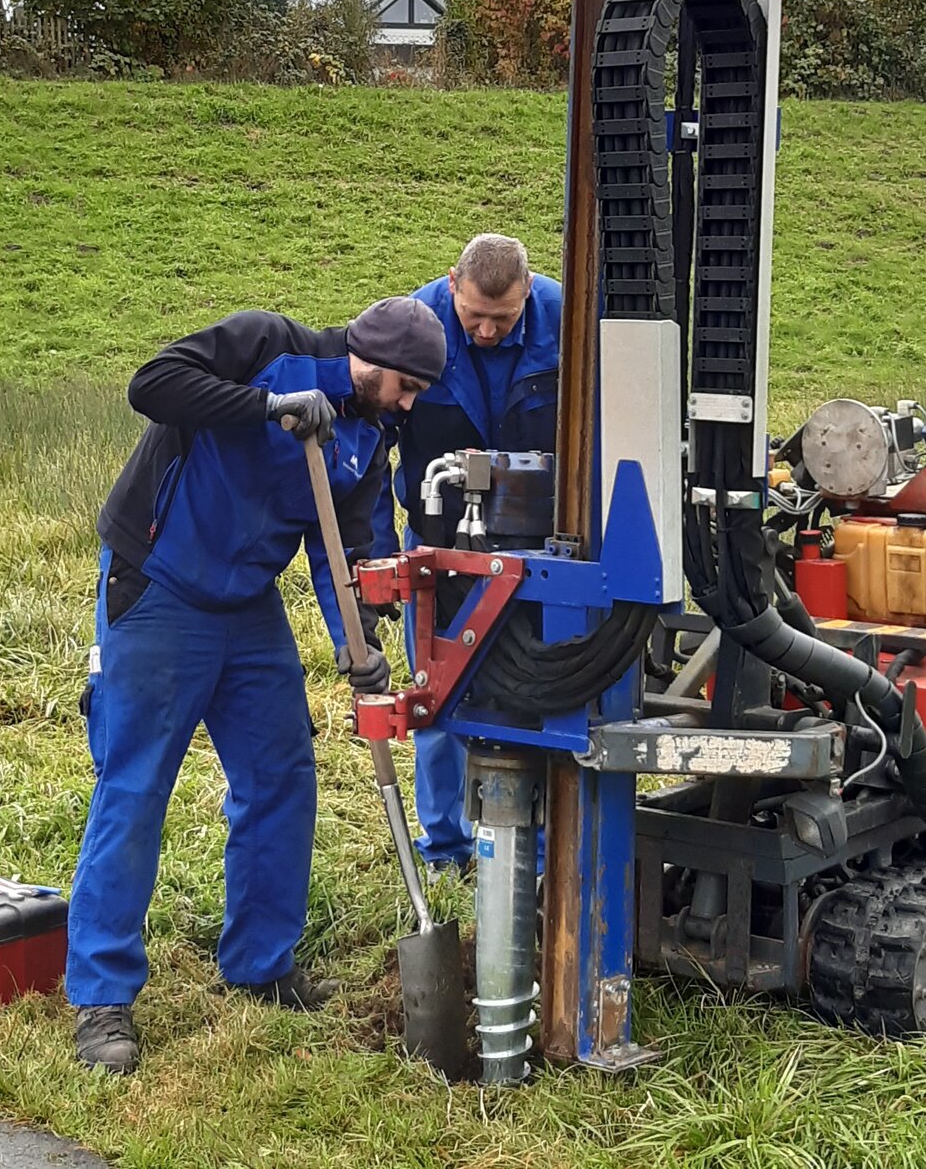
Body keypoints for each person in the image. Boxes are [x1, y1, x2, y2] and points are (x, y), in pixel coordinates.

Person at [68, 296, 447, 1075]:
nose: (409, 405)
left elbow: (346, 552)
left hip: (247, 606)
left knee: (281, 775)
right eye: (406, 387)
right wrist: (268, 404)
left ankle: (260, 961)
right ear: (371, 359)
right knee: (135, 786)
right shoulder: (266, 345)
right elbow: (153, 384)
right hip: (160, 583)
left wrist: (359, 646)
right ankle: (102, 997)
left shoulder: (366, 439)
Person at [379, 235, 561, 878]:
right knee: (439, 694)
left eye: (503, 319)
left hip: (541, 549)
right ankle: (447, 852)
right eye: (475, 316)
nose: (486, 331)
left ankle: (542, 854)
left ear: (529, 292)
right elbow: (376, 448)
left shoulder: (566, 326)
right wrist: (378, 557)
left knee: (542, 691)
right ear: (452, 283)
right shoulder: (409, 329)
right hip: (436, 547)